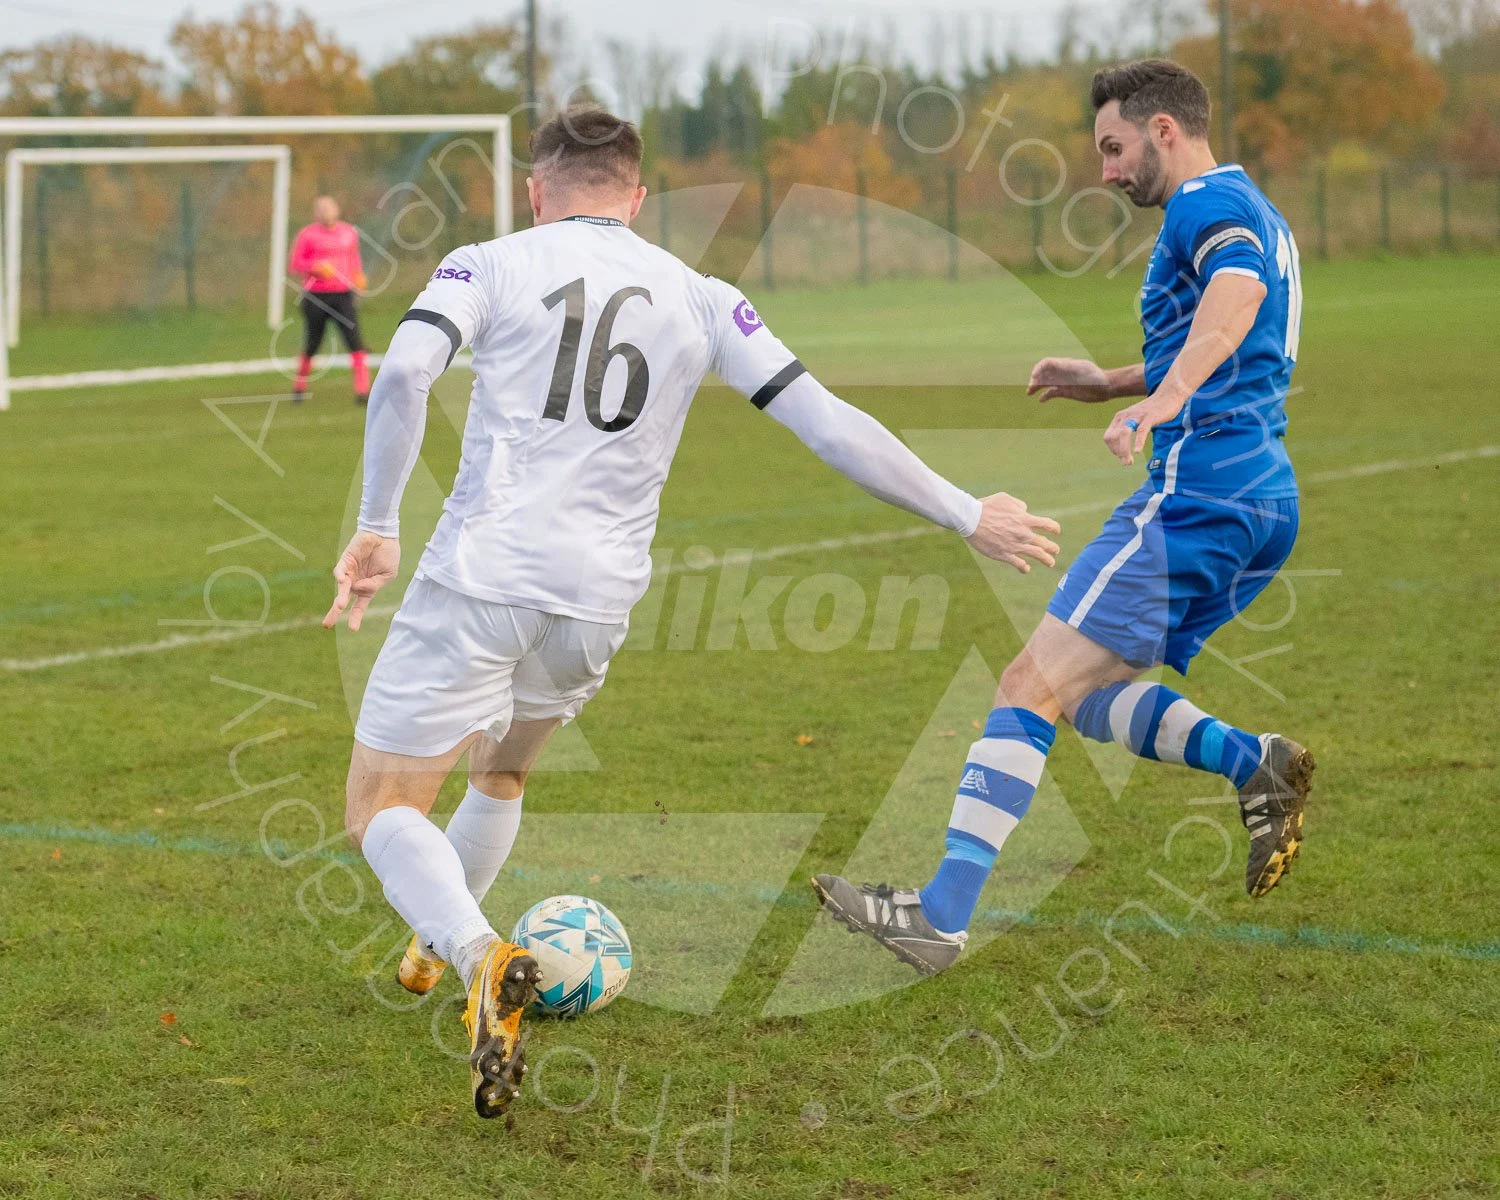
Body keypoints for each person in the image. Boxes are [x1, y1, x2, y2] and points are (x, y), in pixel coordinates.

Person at [322, 106, 1062, 1118]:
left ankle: (476, 953)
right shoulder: (704, 296)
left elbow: (405, 371)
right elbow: (828, 423)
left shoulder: (485, 262)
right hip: (597, 602)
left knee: (380, 810)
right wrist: (968, 511)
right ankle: (435, 933)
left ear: (538, 191)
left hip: (481, 575)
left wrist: (377, 524)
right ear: (635, 196)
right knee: (503, 767)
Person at [813, 59, 1314, 976]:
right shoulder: (1253, 204)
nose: (1109, 171)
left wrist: (1163, 405)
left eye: (1116, 148)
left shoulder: (1202, 207)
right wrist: (1115, 380)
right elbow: (1230, 326)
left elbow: (1236, 299)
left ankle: (940, 916)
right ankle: (1255, 764)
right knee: (1080, 698)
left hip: (1195, 494)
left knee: (1025, 684)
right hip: (1259, 498)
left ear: (1167, 130)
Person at [288, 195, 370, 404]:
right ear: (315, 213)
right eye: (321, 208)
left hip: (342, 295)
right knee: (313, 342)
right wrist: (314, 268)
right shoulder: (307, 235)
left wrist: (358, 275)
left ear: (337, 209)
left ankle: (363, 391)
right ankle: (299, 387)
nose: (326, 212)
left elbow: (354, 258)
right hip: (316, 295)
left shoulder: (348, 232)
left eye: (329, 207)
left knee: (355, 340)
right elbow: (296, 263)